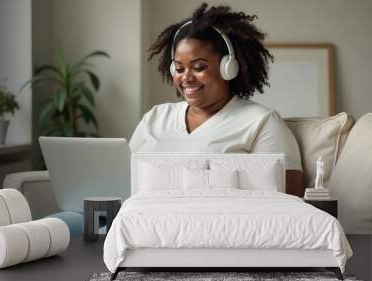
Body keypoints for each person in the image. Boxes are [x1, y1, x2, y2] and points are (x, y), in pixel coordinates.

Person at [129, 3, 304, 196]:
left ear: (228, 68)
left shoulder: (261, 122)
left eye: (198, 67)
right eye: (179, 69)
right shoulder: (154, 118)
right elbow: (122, 183)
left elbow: (290, 201)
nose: (186, 77)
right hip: (146, 222)